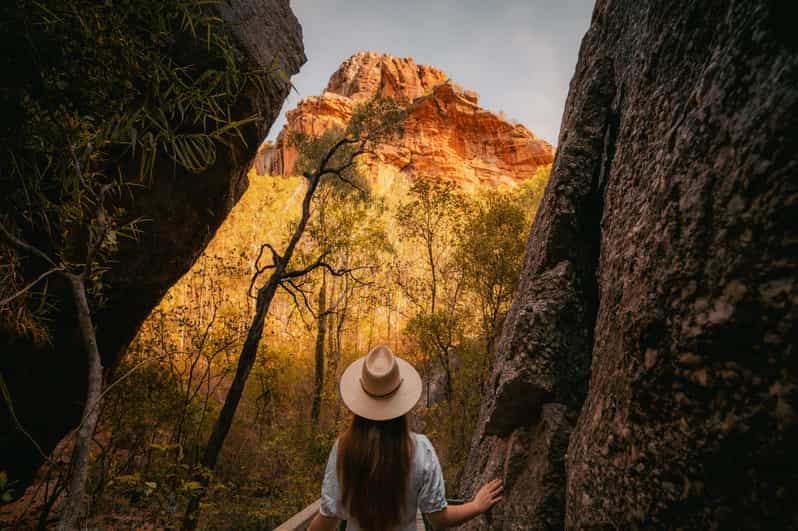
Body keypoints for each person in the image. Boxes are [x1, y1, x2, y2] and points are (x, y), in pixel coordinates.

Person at [308, 345, 503, 531]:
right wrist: (476, 506)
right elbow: (439, 518)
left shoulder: (344, 448)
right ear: (400, 402)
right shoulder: (421, 449)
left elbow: (327, 519)